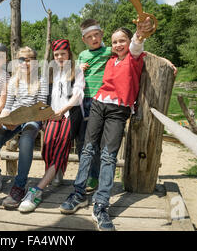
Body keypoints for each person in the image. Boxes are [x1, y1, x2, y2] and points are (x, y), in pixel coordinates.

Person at [59, 19, 153, 231]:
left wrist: (140, 34)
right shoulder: (110, 58)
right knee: (87, 149)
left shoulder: (134, 57)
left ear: (128, 42)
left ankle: (101, 205)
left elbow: (138, 45)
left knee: (108, 155)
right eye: (115, 42)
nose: (119, 45)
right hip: (98, 105)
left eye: (123, 41)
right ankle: (79, 193)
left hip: (118, 110)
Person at [0, 46, 48, 221]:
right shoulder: (13, 81)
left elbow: (41, 107)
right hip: (13, 118)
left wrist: (19, 120)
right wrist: (3, 120)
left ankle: (19, 186)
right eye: (21, 59)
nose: (25, 62)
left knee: (27, 139)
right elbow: (7, 106)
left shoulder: (41, 80)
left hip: (32, 118)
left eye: (28, 59)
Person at [18, 39, 85, 213]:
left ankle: (37, 190)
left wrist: (63, 110)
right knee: (46, 148)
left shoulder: (76, 71)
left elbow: (77, 95)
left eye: (63, 53)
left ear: (69, 54)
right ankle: (56, 173)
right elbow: (43, 95)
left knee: (61, 150)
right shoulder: (50, 73)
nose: (60, 57)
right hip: (51, 114)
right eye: (56, 54)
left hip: (69, 114)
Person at [76, 19, 113, 193]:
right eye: (89, 37)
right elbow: (74, 76)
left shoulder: (108, 51)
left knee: (98, 141)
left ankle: (95, 176)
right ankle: (84, 172)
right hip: (85, 101)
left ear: (102, 34)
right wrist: (79, 68)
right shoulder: (83, 55)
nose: (93, 39)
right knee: (83, 139)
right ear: (84, 40)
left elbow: (133, 53)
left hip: (102, 100)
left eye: (96, 35)